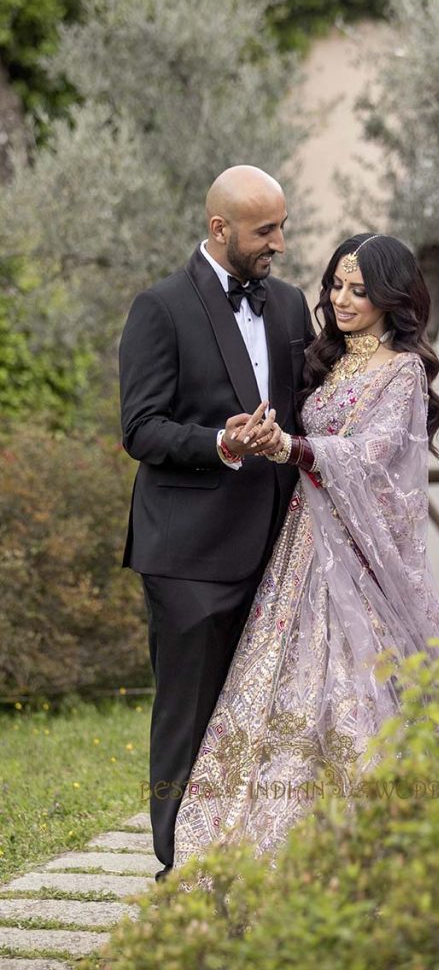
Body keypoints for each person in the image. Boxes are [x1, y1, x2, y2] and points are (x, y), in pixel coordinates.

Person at [172, 233, 439, 878]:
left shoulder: (402, 369)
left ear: (393, 298)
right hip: (301, 545)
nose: (341, 300)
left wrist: (292, 449)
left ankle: (366, 848)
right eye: (336, 286)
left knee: (354, 685)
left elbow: (372, 460)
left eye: (359, 290)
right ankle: (252, 842)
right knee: (288, 678)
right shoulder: (325, 362)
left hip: (359, 556)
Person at [118, 165, 314, 882]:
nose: (281, 243)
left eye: (282, 226)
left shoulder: (291, 306)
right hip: (187, 552)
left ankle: (243, 851)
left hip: (276, 545)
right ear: (219, 228)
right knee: (188, 713)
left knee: (263, 710)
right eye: (266, 230)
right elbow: (140, 428)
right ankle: (177, 863)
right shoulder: (160, 308)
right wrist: (220, 442)